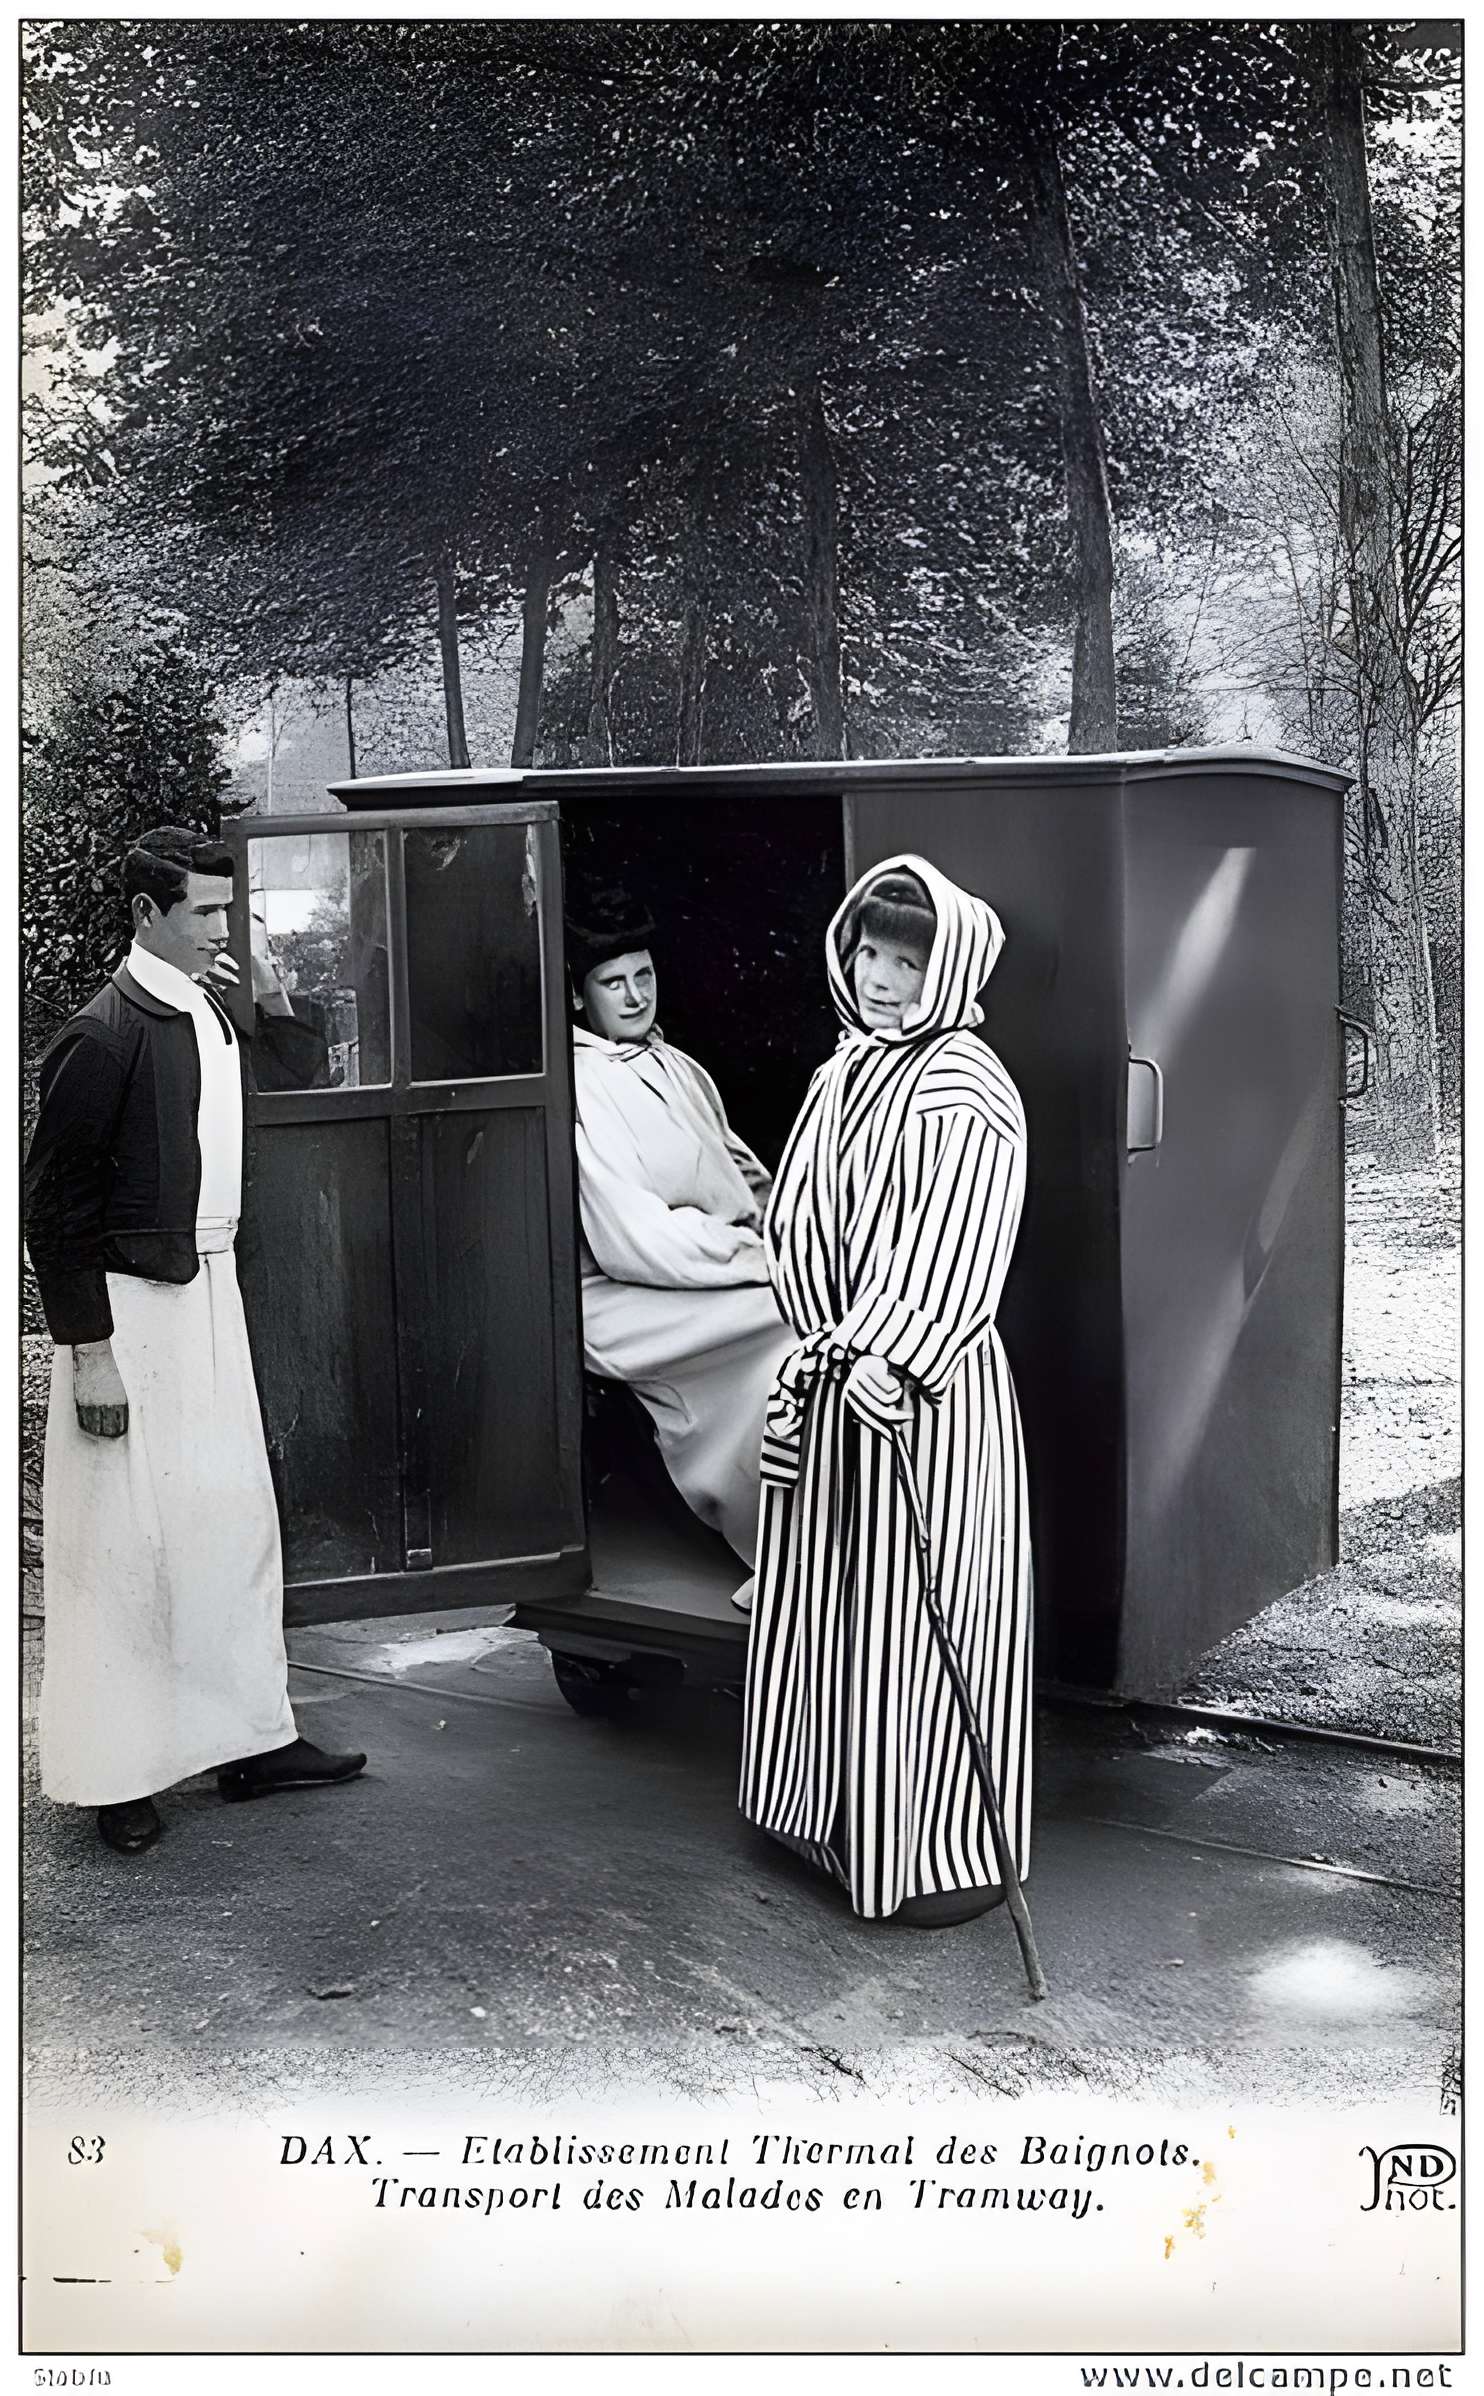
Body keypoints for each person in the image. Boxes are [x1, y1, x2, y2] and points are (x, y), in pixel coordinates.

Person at [24, 827, 368, 1857]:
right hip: (133, 1313)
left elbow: (303, 1063)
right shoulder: (101, 1033)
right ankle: (117, 1773)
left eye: (230, 911)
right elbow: (52, 1209)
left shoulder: (211, 1011)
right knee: (124, 1549)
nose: (224, 927)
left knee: (231, 1528)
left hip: (212, 1295)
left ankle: (251, 1740)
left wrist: (262, 978)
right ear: (147, 916)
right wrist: (89, 1352)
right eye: (207, 913)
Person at [739, 857, 1032, 1927]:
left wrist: (893, 1354)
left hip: (921, 1397)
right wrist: (820, 1336)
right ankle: (827, 1817)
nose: (883, 979)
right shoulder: (843, 1070)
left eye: (908, 960)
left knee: (917, 1615)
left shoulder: (964, 1086)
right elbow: (799, 1211)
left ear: (946, 965)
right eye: (870, 952)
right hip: (833, 1381)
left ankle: (926, 1851)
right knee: (828, 1606)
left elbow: (957, 1242)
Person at [566, 882, 796, 1606]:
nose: (635, 997)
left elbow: (745, 1176)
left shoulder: (677, 1065)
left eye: (645, 975)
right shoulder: (579, 1082)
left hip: (705, 1269)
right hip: (619, 1293)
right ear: (579, 999)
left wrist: (790, 1231)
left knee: (814, 1322)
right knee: (792, 1332)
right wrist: (760, 1263)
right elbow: (635, 1239)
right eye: (612, 983)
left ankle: (813, 1547)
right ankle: (780, 1553)